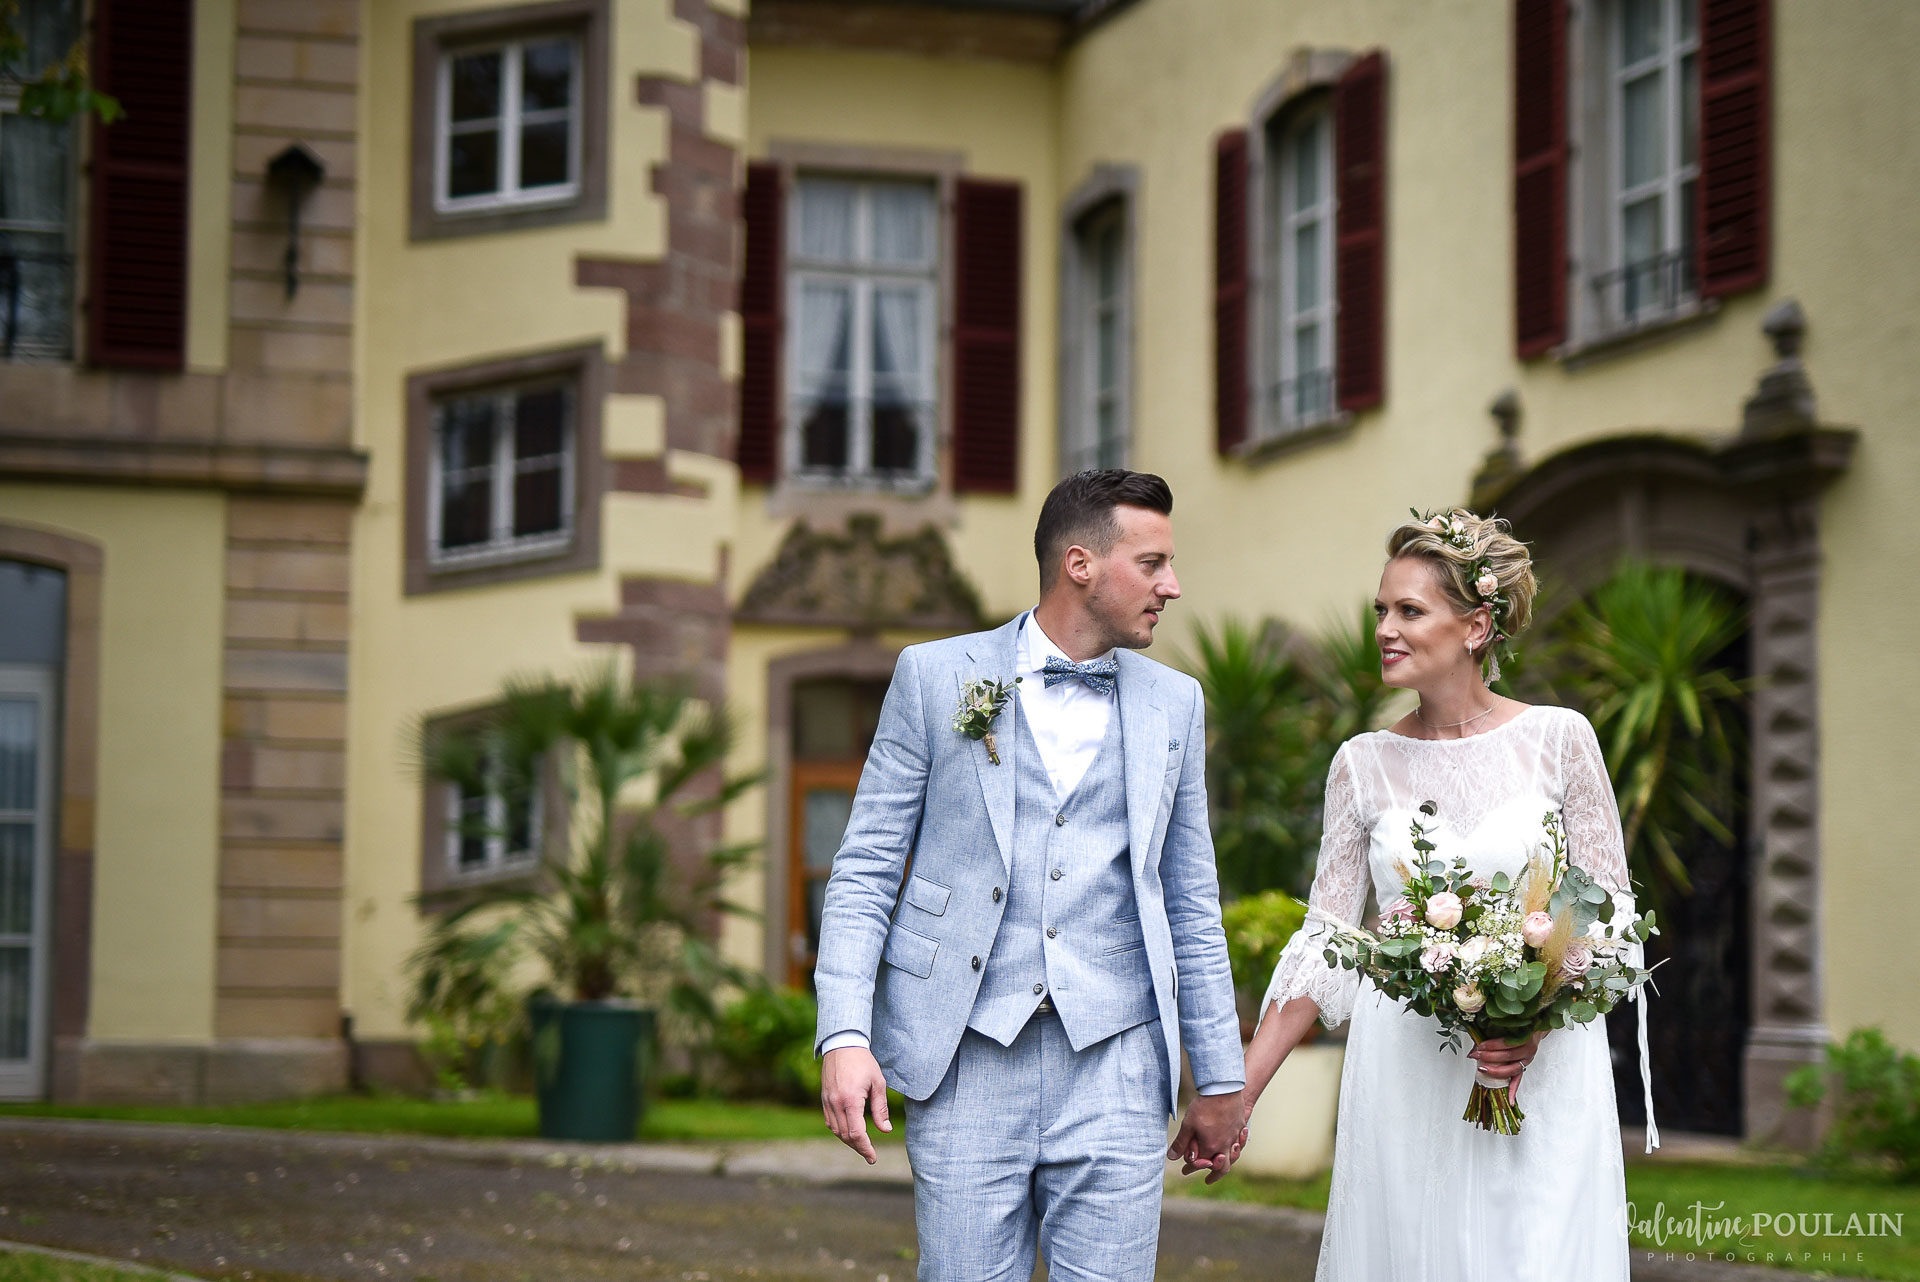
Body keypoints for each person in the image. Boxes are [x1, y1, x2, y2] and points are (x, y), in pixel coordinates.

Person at [812, 469, 1246, 1281]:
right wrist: (844, 1033)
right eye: (1151, 564)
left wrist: (1220, 1077)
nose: (1173, 587)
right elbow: (866, 867)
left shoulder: (1175, 703)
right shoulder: (936, 676)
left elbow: (1191, 900)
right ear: (1080, 564)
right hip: (965, 1053)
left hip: (1116, 1058)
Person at [1239, 508, 1653, 1282]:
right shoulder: (1362, 763)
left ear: (1475, 626)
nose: (1386, 629)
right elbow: (1328, 944)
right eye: (1380, 611)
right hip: (1407, 1071)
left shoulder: (1560, 739)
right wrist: (1240, 1093)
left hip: (1542, 1067)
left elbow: (1611, 916)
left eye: (1409, 610)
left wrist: (1532, 1013)